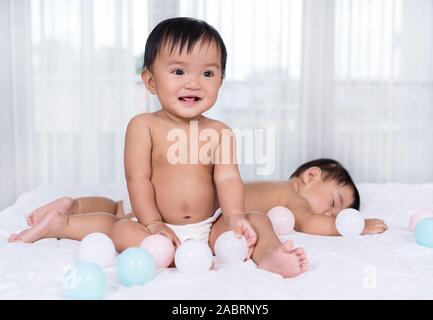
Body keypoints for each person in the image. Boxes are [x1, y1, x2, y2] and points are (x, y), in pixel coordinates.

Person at [8, 17, 308, 278]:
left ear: (221, 81)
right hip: (152, 221)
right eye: (178, 72)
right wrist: (152, 223)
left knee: (257, 219)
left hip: (208, 225)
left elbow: (228, 179)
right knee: (119, 229)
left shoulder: (220, 132)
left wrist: (234, 217)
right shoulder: (144, 126)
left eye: (207, 73)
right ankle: (59, 224)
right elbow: (138, 179)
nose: (193, 83)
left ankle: (270, 256)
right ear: (150, 81)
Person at [9, 158, 388, 277]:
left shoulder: (281, 189)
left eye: (339, 213)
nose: (331, 212)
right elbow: (310, 224)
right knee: (258, 220)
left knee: (114, 212)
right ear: (311, 176)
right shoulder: (295, 200)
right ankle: (270, 255)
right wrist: (353, 227)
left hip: (159, 204)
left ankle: (69, 211)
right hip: (208, 221)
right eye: (336, 202)